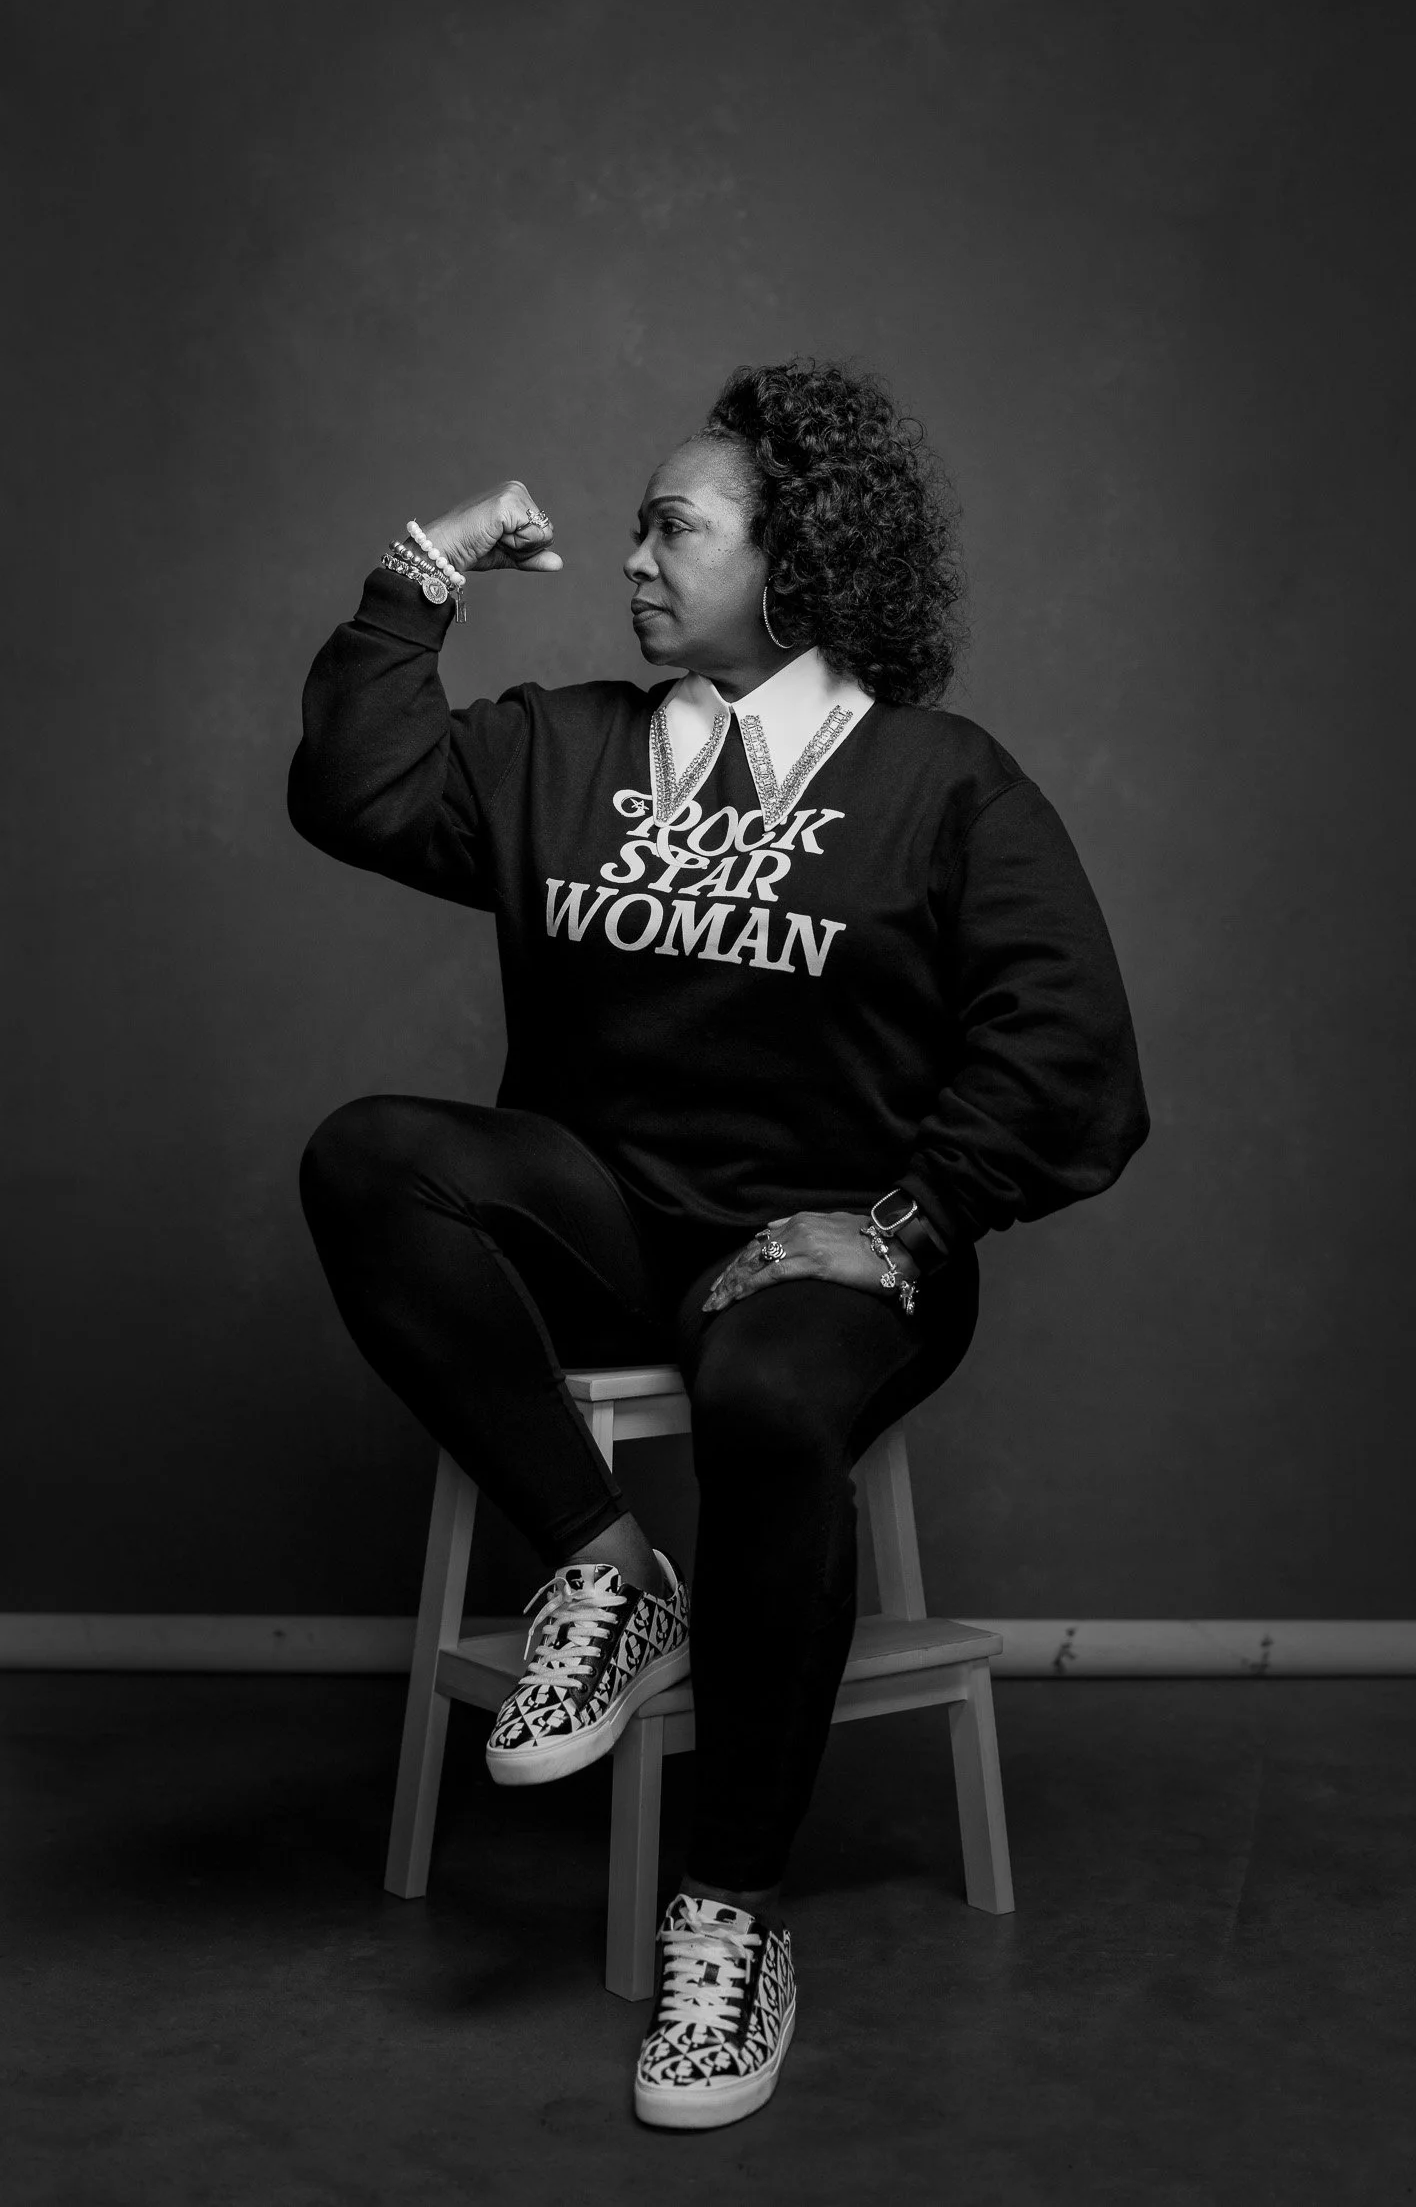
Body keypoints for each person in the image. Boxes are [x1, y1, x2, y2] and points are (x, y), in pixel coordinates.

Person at [289, 356, 1148, 2131]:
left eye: (676, 527)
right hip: (616, 1219)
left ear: (800, 558)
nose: (634, 557)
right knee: (371, 1155)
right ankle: (610, 1570)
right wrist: (420, 576)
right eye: (636, 528)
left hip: (837, 1260)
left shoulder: (942, 783)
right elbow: (355, 792)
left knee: (765, 1388)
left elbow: (1073, 1052)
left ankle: (732, 1909)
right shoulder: (564, 748)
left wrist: (903, 1218)